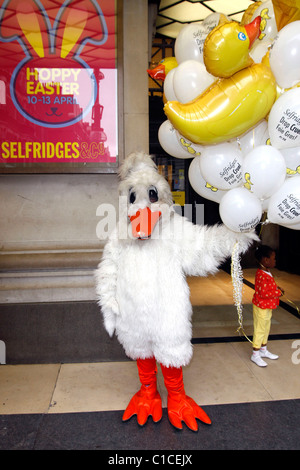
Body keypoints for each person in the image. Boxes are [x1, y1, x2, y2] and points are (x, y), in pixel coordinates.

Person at [251, 245, 284, 367]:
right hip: (262, 307)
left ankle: (263, 350)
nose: (275, 261)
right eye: (273, 258)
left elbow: (268, 288)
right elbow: (263, 293)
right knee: (260, 329)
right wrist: (278, 292)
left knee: (266, 328)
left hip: (267, 306)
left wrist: (276, 288)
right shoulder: (261, 274)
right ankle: (255, 354)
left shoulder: (266, 271)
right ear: (265, 260)